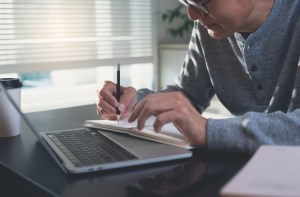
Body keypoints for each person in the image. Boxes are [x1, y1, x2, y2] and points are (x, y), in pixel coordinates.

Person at [97, 0, 300, 154]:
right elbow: (188, 94)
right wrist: (135, 103)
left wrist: (208, 131)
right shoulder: (212, 28)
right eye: (186, 1)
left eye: (202, 1)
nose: (192, 14)